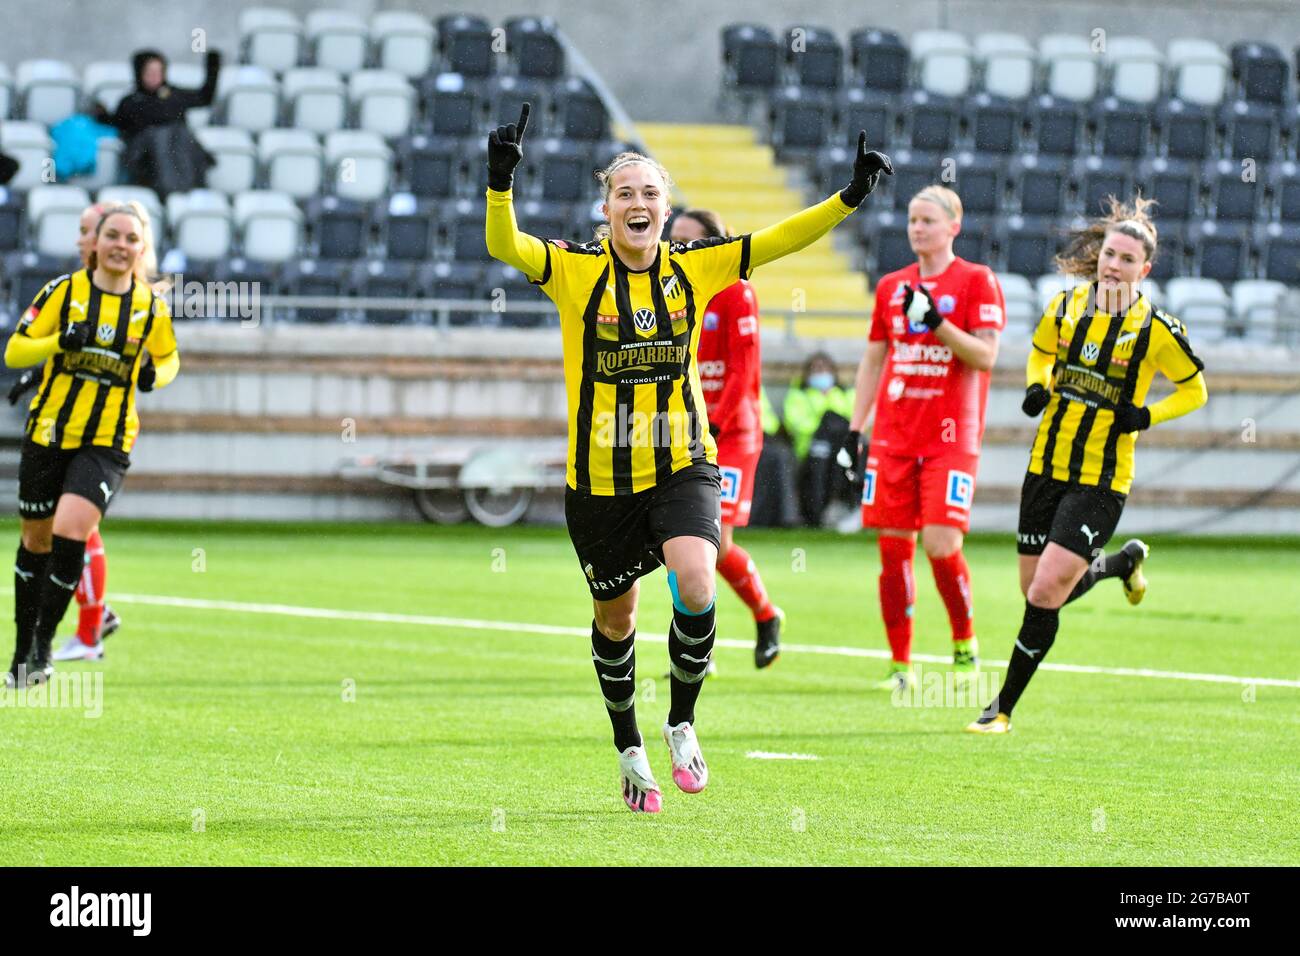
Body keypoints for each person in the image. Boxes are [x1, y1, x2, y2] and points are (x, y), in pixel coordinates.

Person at [485, 104, 890, 811]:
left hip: (682, 464)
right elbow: (506, 248)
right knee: (616, 619)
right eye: (625, 193)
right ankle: (628, 746)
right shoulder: (574, 271)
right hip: (601, 481)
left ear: (667, 210)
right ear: (606, 210)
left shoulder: (694, 269)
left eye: (650, 193)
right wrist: (499, 184)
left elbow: (778, 240)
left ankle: (681, 723)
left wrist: (848, 198)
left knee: (697, 583)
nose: (638, 203)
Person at [967, 196, 1207, 734]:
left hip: (1102, 479)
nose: (1114, 265)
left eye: (1127, 259)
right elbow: (1040, 351)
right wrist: (1036, 383)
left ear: (1144, 270)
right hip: (1046, 467)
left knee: (1048, 589)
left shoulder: (1156, 329)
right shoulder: (1066, 306)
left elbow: (1196, 391)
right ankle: (1121, 564)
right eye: (1109, 254)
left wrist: (1145, 414)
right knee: (1036, 589)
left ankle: (1000, 709)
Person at [4, 204, 180, 686]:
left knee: (71, 529)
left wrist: (153, 376)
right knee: (35, 541)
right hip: (49, 433)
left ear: (142, 250)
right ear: (95, 245)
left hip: (108, 440)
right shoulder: (63, 292)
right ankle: (22, 651)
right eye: (113, 237)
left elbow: (169, 359)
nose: (121, 246)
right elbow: (15, 349)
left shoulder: (149, 308)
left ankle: (45, 644)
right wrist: (59, 341)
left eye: (131, 239)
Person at [838, 185, 1006, 691]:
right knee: (892, 550)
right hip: (893, 435)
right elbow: (874, 359)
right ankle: (900, 663)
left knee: (939, 543)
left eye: (928, 220)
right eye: (912, 220)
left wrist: (937, 322)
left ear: (954, 226)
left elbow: (986, 356)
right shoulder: (891, 286)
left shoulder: (977, 281)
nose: (917, 228)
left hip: (950, 438)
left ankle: (963, 639)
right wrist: (854, 427)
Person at [669, 208, 783, 668]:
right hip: (684, 429)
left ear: (713, 244)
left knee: (716, 541)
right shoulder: (669, 289)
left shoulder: (736, 292)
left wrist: (713, 421)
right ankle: (699, 641)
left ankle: (765, 615)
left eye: (685, 240)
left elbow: (743, 368)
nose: (674, 247)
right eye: (671, 238)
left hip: (730, 433)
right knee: (678, 539)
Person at [106, 49, 220, 196]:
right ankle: (169, 188)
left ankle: (184, 187)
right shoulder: (131, 102)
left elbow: (205, 98)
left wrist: (213, 65)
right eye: (150, 72)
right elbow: (117, 124)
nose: (155, 76)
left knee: (180, 133)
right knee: (160, 135)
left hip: (179, 154)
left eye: (159, 71)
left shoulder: (174, 96)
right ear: (139, 72)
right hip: (148, 164)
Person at [783, 352, 855, 526]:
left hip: (841, 449)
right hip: (809, 450)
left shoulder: (844, 393)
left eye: (825, 369)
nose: (821, 374)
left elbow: (854, 423)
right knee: (821, 451)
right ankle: (819, 513)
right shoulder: (799, 396)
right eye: (816, 370)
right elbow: (797, 425)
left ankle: (845, 508)